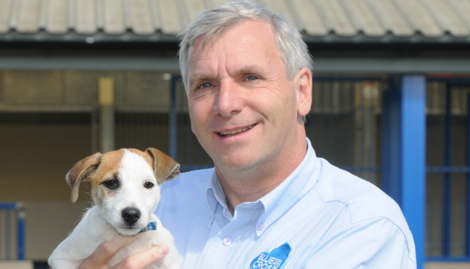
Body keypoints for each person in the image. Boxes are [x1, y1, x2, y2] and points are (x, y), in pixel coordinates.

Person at [80, 0, 416, 268]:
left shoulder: (361, 226)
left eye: (250, 77)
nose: (225, 104)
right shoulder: (157, 202)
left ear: (301, 92)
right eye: (205, 85)